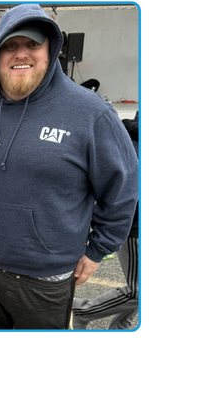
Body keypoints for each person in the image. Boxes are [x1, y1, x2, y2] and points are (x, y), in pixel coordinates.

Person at [0, 4, 138, 329]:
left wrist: (99, 249)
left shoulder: (90, 113)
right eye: (10, 46)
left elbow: (124, 186)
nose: (20, 54)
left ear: (51, 51)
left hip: (44, 279)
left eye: (32, 45)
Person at [73, 106, 140, 329]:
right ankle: (81, 311)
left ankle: (122, 326)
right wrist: (99, 247)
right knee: (139, 291)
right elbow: (119, 195)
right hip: (135, 227)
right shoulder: (131, 145)